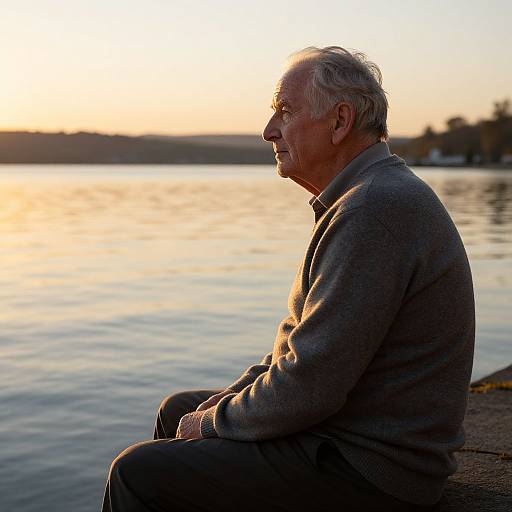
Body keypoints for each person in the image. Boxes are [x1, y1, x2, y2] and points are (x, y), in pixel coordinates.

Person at [101, 46, 475, 512]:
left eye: (285, 110)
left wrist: (214, 424)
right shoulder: (366, 197)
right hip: (346, 435)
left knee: (136, 473)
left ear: (339, 122)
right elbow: (298, 350)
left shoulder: (373, 211)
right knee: (178, 409)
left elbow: (309, 386)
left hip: (371, 467)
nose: (268, 130)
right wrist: (225, 402)